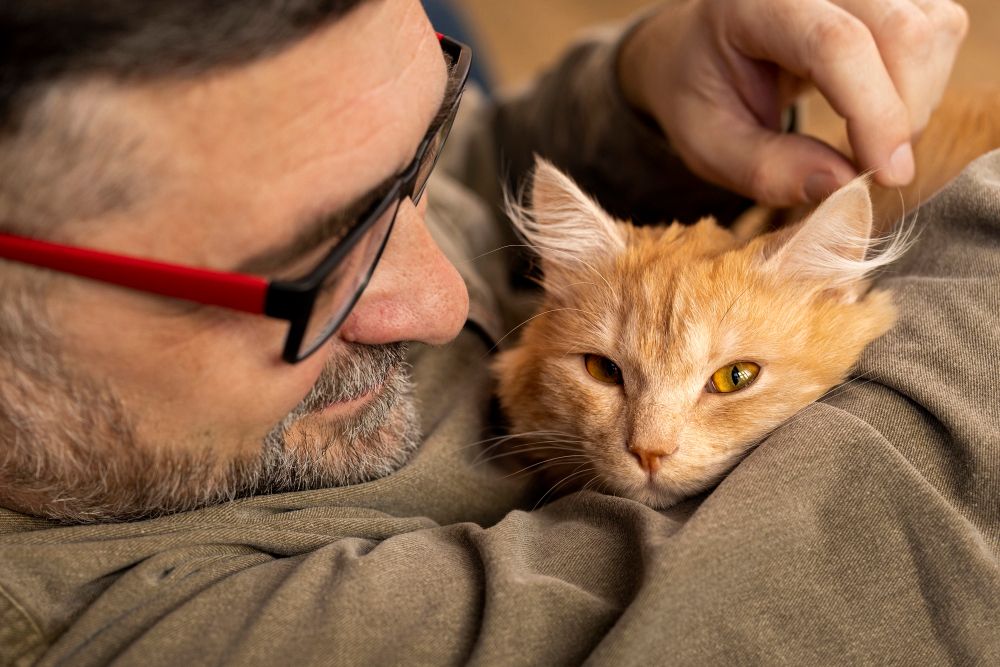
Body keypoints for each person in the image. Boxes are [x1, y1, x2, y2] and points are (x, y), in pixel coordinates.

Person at [0, 0, 995, 663]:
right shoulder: (107, 623)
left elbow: (419, 157)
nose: (444, 300)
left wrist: (636, 98)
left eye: (410, 172)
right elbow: (831, 562)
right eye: (298, 264)